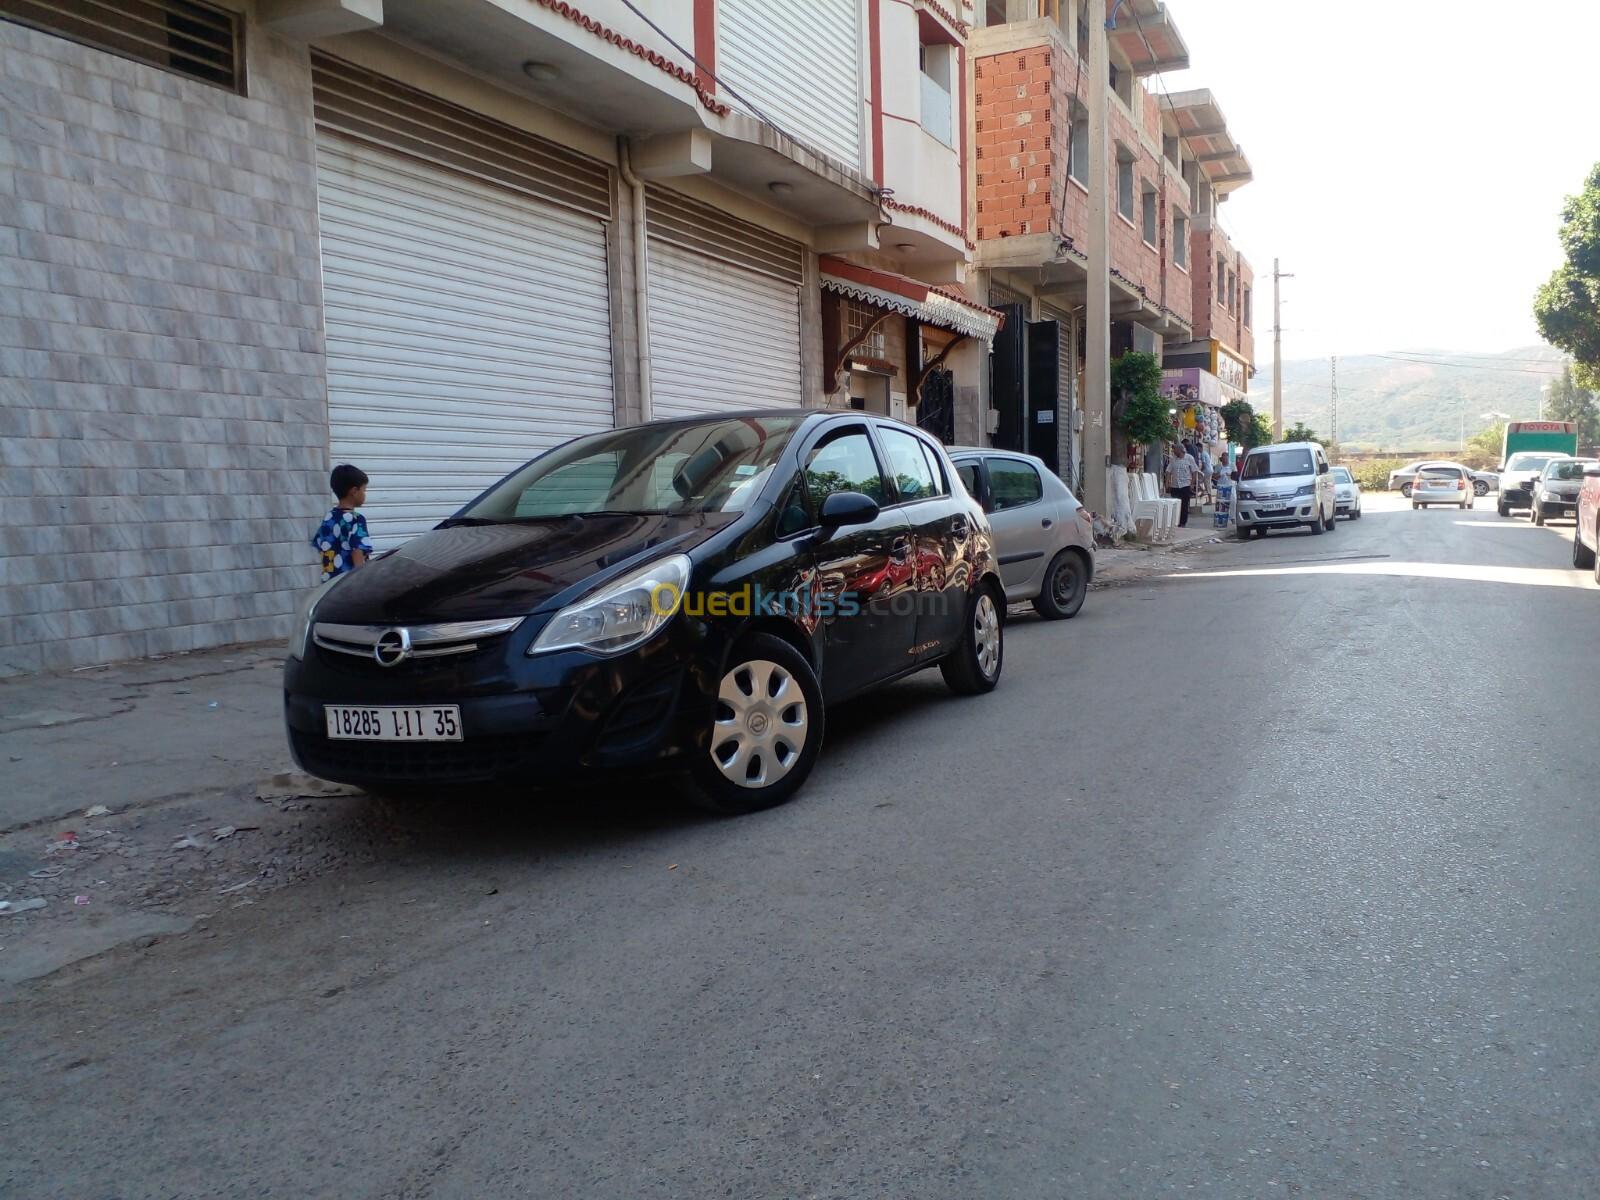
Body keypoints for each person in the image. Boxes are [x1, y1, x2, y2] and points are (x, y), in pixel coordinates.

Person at [312, 463, 374, 582]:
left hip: (329, 585)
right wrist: (362, 582)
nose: (365, 494)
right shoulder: (356, 519)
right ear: (354, 491)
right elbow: (357, 552)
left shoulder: (329, 517)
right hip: (348, 586)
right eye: (364, 490)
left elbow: (321, 546)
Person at [1165, 441, 1197, 527]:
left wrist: (1192, 484)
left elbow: (1194, 471)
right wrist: (1167, 483)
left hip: (1185, 485)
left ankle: (1182, 522)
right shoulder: (1173, 459)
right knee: (1175, 505)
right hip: (1175, 485)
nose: (1173, 452)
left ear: (1179, 450)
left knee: (1184, 505)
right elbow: (1168, 471)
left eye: (1175, 450)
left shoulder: (1189, 458)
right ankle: (1175, 521)